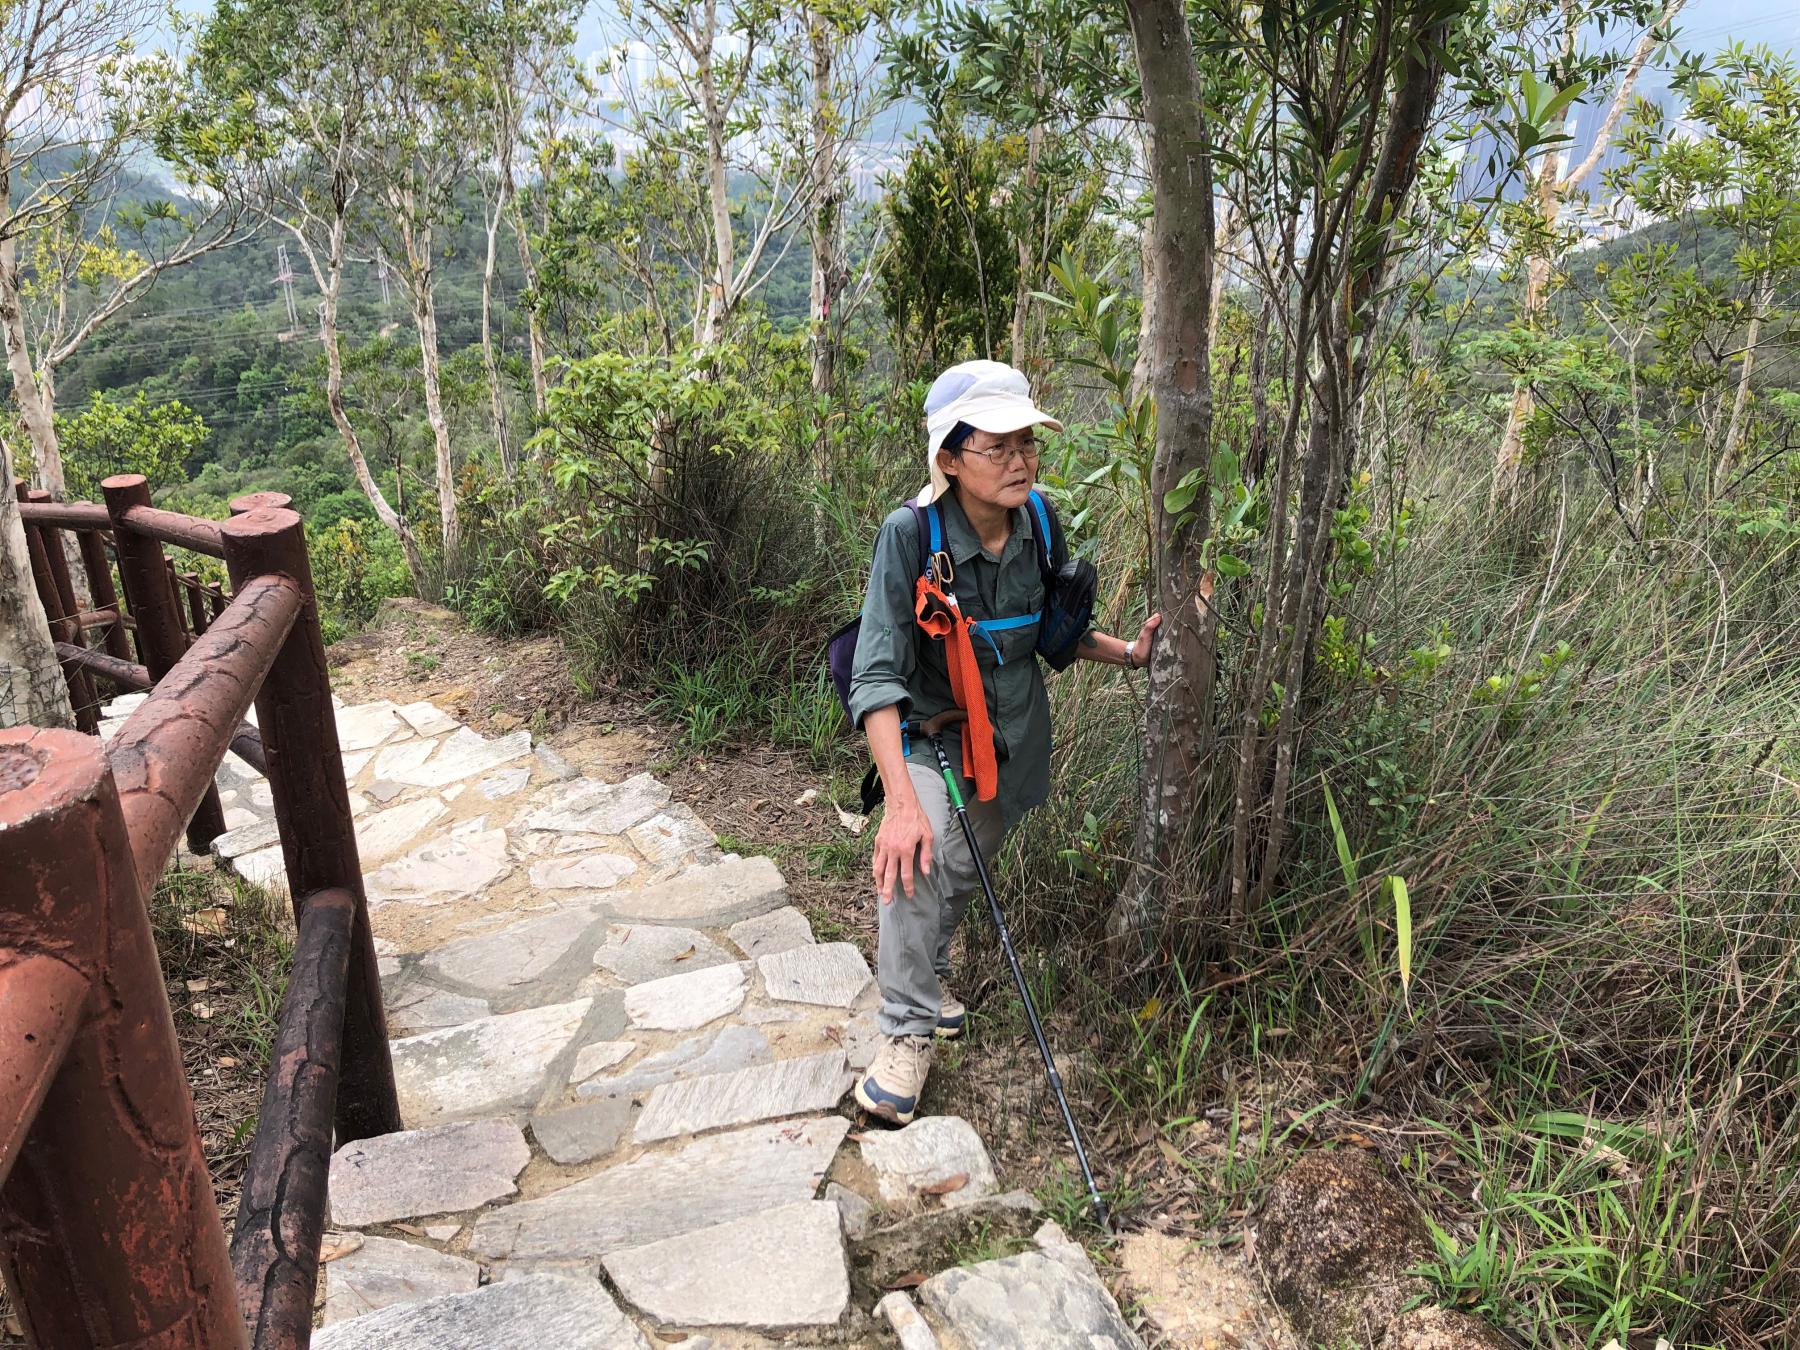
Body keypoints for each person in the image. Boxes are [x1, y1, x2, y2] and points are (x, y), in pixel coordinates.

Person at [845, 360, 1161, 1123]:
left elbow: (1048, 634)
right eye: (998, 446)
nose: (1020, 460)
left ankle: (928, 975)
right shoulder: (910, 535)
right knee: (916, 857)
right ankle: (907, 1032)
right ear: (949, 459)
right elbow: (875, 676)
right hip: (926, 734)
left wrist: (1129, 653)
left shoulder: (1040, 523)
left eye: (1027, 443)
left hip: (1009, 737)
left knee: (964, 866)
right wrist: (899, 805)